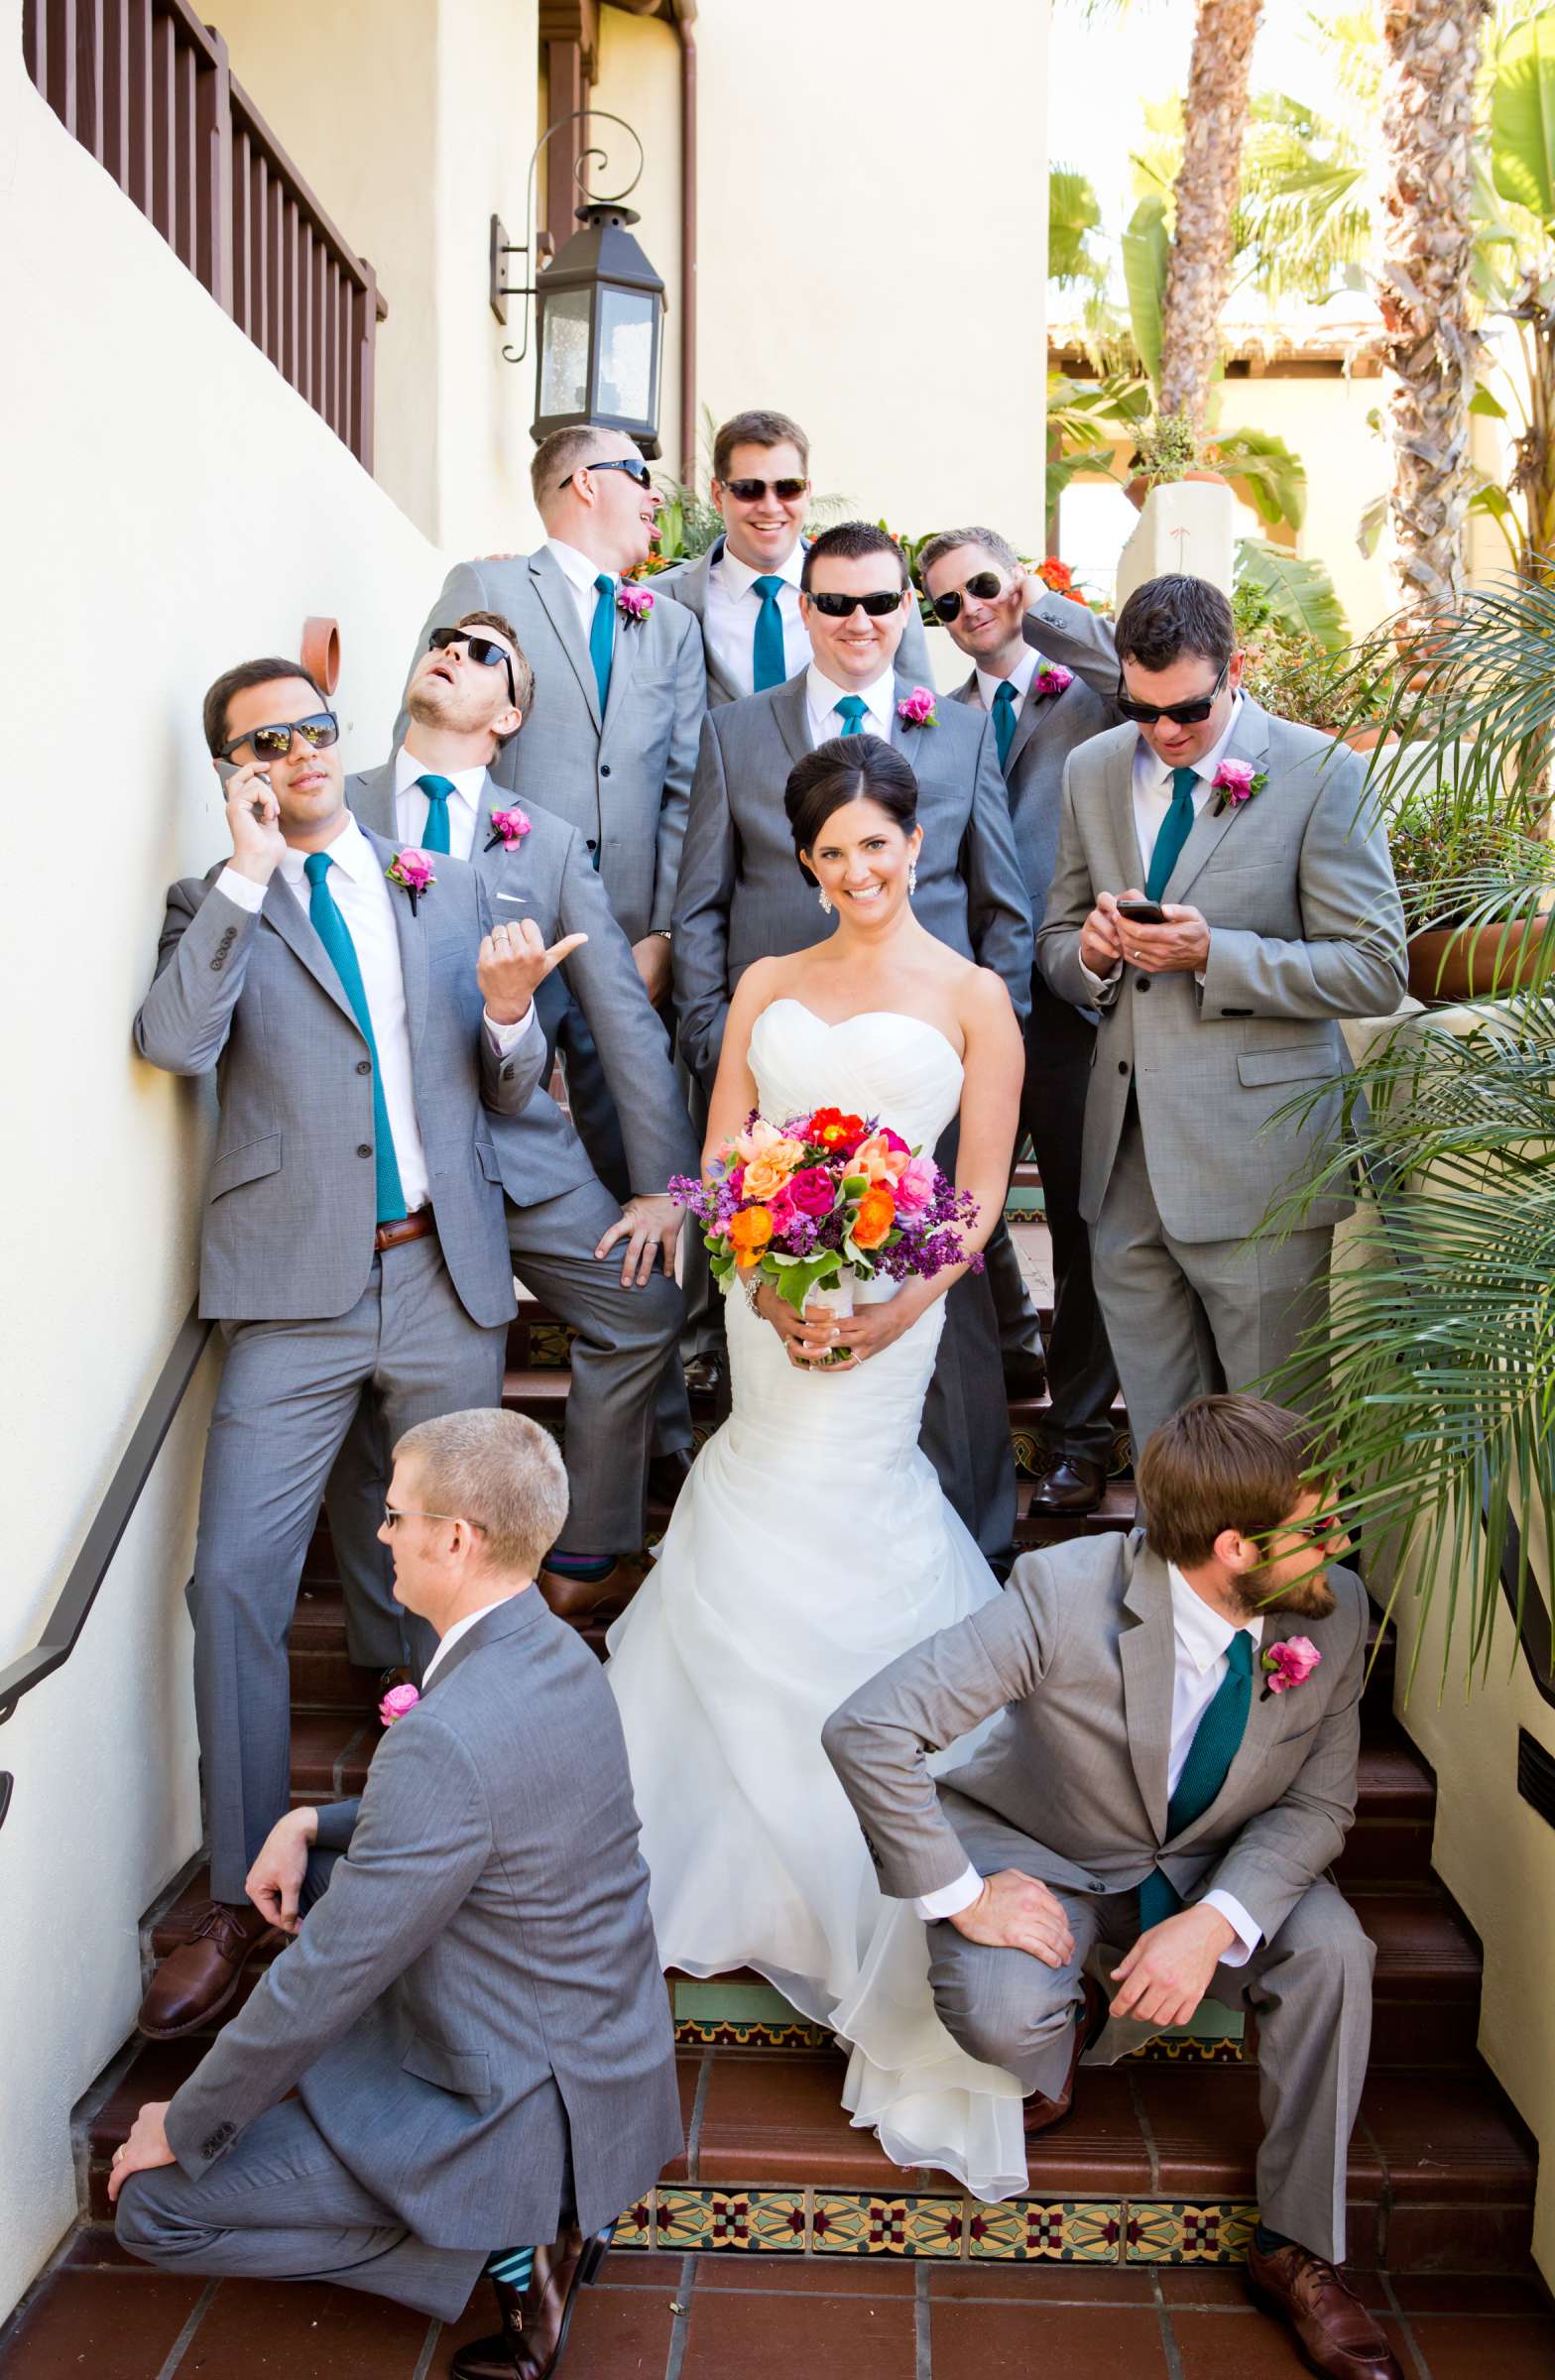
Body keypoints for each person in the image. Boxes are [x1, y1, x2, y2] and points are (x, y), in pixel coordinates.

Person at [608, 735, 1029, 2191]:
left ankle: (875, 1847)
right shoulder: (770, 992)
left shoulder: (975, 999)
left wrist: (904, 1295)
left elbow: (977, 1193)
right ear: (804, 863)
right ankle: (715, 1852)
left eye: (880, 846)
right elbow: (728, 1154)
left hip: (897, 1306)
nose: (859, 871)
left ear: (918, 845)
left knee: (855, 1503)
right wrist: (770, 1281)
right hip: (771, 1294)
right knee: (752, 1485)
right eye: (833, 853)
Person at [132, 657, 558, 2037]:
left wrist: (508, 1018)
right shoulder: (216, 905)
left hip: (442, 1270)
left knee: (468, 1576)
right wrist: (250, 871)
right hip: (291, 1292)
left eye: (313, 727)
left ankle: (455, 1845)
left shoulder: (436, 877)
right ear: (236, 770)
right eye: (265, 742)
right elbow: (176, 1041)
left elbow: (510, 1082)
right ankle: (237, 1887)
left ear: (341, 733)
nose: (301, 752)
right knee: (238, 1584)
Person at [824, 1393, 1395, 2380]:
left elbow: (1316, 1811)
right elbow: (869, 1730)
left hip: (1225, 1858)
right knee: (999, 2012)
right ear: (1235, 1548)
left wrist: (1213, 1924)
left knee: (1337, 1950)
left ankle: (1296, 2246)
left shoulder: (1333, 1612)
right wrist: (964, 1894)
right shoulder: (1060, 1594)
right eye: (1319, 1525)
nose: (1341, 1539)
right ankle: (1074, 2028)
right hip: (1053, 1849)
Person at [112, 1408, 682, 2380]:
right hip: (599, 2057)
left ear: (454, 1538)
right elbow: (488, 1810)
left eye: (391, 1514)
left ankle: (487, 2242)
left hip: (509, 2103)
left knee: (152, 2212)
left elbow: (321, 1978)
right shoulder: (556, 1653)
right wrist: (308, 1823)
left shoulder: (446, 1734)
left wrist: (189, 2117)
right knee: (347, 1883)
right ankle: (521, 2222)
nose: (379, 1536)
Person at [672, 521, 1034, 1564]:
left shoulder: (959, 732)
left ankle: (972, 1554)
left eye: (882, 602)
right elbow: (699, 896)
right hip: (779, 1080)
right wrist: (724, 1037)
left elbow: (1003, 903)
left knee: (955, 1359)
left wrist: (976, 1044)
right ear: (804, 608)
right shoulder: (736, 732)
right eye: (836, 603)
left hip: (928, 1084)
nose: (860, 621)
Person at [337, 611, 698, 1624]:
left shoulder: (542, 840)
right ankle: (391, 1639)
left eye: (484, 652)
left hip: (514, 1153)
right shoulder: (340, 806)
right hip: (380, 1160)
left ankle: (584, 1556)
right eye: (443, 637)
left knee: (641, 1306)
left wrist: (660, 1190)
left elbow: (621, 1024)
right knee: (383, 1392)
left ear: (508, 714)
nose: (452, 649)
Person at [1036, 573, 1407, 1454]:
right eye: (1142, 707)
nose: (1165, 731)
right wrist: (1087, 954)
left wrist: (1217, 955)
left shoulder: (1322, 773)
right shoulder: (1091, 769)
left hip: (1260, 1169)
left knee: (1277, 1442)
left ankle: (1287, 1595)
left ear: (1236, 670)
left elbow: (1376, 969)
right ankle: (1175, 1591)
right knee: (1167, 1444)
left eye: (1189, 711)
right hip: (1123, 1167)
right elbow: (1055, 936)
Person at [400, 423, 706, 1216]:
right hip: (499, 931)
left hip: (627, 938)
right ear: (586, 484)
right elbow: (430, 746)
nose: (655, 497)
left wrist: (664, 932)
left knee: (635, 1143)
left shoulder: (669, 626)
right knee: (482, 1132)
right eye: (640, 475)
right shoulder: (489, 589)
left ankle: (639, 1316)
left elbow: (683, 786)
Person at [919, 529, 1124, 1514]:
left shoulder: (1090, 686)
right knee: (964, 1197)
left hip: (1079, 1000)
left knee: (1089, 1223)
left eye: (982, 588)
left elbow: (1127, 662)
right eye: (945, 603)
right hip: (974, 998)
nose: (969, 612)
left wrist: (1029, 602)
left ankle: (1079, 1434)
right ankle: (1009, 1348)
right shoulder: (944, 717)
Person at [655, 406, 928, 703]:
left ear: (807, 492)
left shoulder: (885, 593)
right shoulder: (663, 599)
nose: (770, 506)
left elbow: (918, 711)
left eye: (788, 488)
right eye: (748, 489)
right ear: (719, 496)